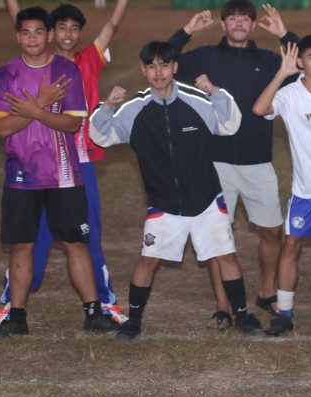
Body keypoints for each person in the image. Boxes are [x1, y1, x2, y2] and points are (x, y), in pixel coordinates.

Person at [0, 0, 136, 331]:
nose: (68, 34)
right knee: (29, 241)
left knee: (86, 239)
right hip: (36, 161)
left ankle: (103, 302)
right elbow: (20, 20)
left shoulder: (87, 61)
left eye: (75, 28)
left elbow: (114, 24)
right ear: (49, 33)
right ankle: (11, 304)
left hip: (77, 160)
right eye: (61, 28)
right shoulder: (33, 61)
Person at [89, 41, 265, 340]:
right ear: (143, 70)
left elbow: (230, 124)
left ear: (175, 67)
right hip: (164, 203)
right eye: (152, 66)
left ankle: (242, 315)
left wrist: (214, 91)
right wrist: (107, 106)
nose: (158, 72)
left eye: (165, 65)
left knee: (226, 256)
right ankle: (133, 321)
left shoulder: (196, 100)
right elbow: (100, 136)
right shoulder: (134, 109)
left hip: (207, 199)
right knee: (147, 260)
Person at [166, 0, 299, 327]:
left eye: (245, 19)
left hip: (258, 161)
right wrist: (186, 31)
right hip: (215, 163)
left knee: (272, 231)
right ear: (223, 24)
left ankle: (266, 291)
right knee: (217, 236)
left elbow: (306, 63)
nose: (239, 23)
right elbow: (164, 60)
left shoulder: (269, 61)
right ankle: (223, 306)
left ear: (253, 25)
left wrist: (284, 35)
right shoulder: (204, 57)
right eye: (232, 18)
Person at [0, 7, 115, 336]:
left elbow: (72, 124)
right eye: (25, 32)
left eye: (38, 32)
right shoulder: (6, 74)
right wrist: (41, 104)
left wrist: (33, 109)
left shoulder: (66, 71)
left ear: (48, 35)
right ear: (18, 36)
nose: (32, 38)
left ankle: (93, 312)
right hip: (21, 175)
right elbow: (2, 128)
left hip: (64, 174)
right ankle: (17, 315)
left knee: (76, 243)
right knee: (22, 245)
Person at [252, 37, 311, 336]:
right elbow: (259, 109)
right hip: (307, 189)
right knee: (291, 245)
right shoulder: (289, 94)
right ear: (301, 62)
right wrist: (282, 73)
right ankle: (284, 313)